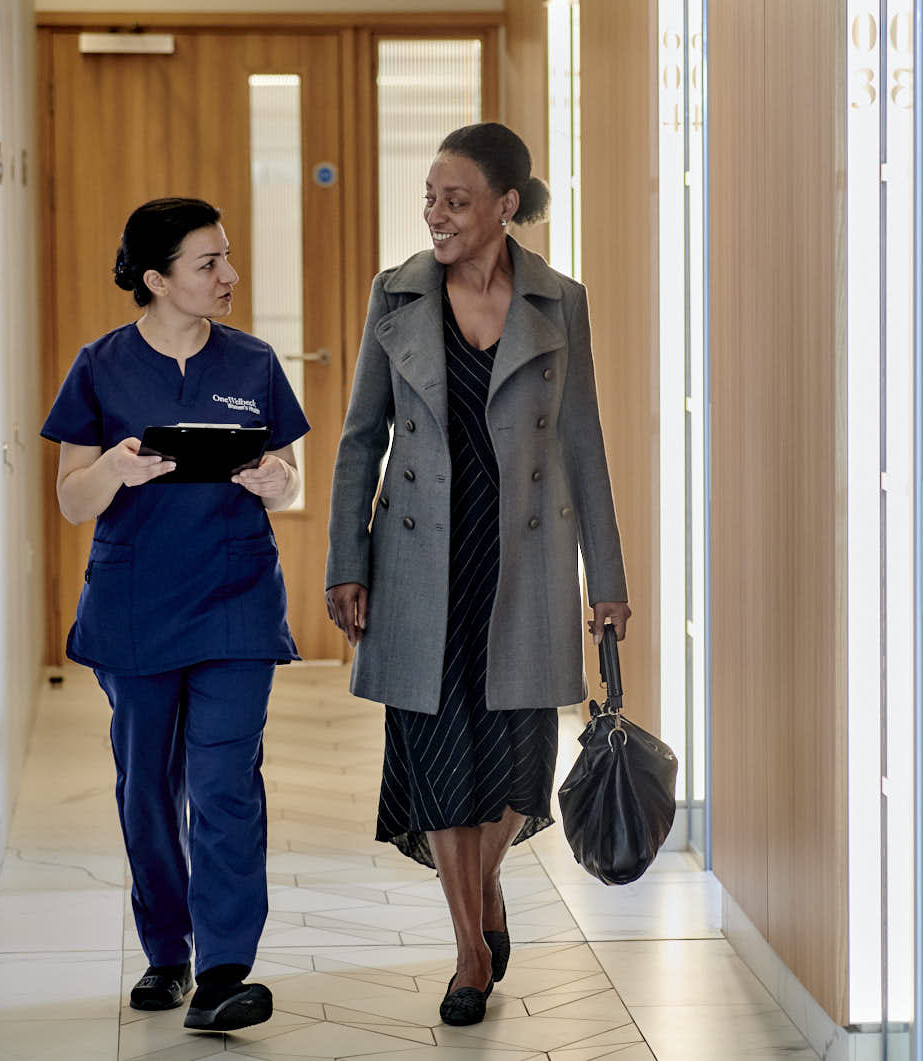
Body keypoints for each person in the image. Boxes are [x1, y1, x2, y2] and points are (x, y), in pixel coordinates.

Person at [325, 122, 630, 1027]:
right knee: (440, 764)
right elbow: (358, 441)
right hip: (420, 564)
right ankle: (469, 949)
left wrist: (605, 579)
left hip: (525, 567)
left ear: (506, 206)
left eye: (455, 201)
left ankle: (486, 886)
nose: (436, 216)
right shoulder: (397, 295)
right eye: (429, 199)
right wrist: (348, 559)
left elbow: (585, 445)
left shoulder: (559, 301)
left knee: (513, 771)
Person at [40, 197, 308, 1032]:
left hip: (235, 598)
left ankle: (225, 969)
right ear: (156, 280)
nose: (228, 276)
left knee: (226, 783)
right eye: (207, 264)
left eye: (226, 258)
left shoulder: (255, 361)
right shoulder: (100, 366)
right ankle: (167, 949)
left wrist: (276, 481)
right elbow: (72, 501)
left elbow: (290, 474)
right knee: (148, 789)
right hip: (135, 605)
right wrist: (117, 466)